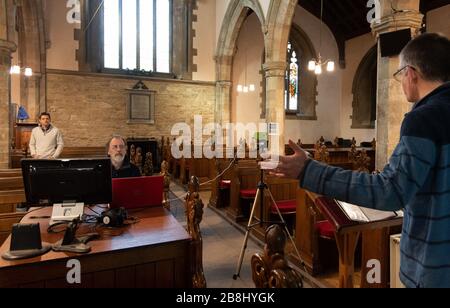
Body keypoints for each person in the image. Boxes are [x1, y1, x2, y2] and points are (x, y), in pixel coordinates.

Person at [271, 33, 450, 288]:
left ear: (411, 73)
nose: (401, 82)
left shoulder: (424, 119)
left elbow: (391, 191)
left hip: (435, 269)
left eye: (399, 74)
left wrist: (309, 170)